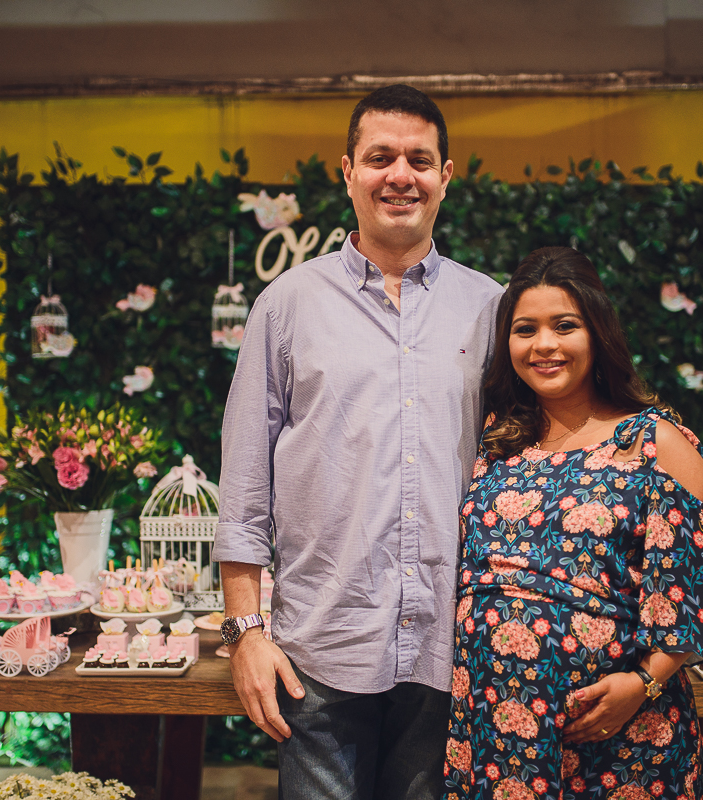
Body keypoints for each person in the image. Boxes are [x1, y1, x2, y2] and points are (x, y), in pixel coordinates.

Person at [213, 84, 503, 799]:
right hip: (319, 648)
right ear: (347, 171)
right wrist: (245, 631)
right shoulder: (286, 306)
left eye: (418, 159)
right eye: (380, 157)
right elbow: (246, 484)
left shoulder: (492, 308)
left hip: (451, 642)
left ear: (446, 176)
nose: (399, 174)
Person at [444, 247, 703, 800]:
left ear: (598, 332)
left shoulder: (653, 443)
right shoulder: (496, 443)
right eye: (524, 329)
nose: (544, 346)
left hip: (620, 735)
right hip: (496, 734)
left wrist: (643, 683)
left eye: (565, 326)